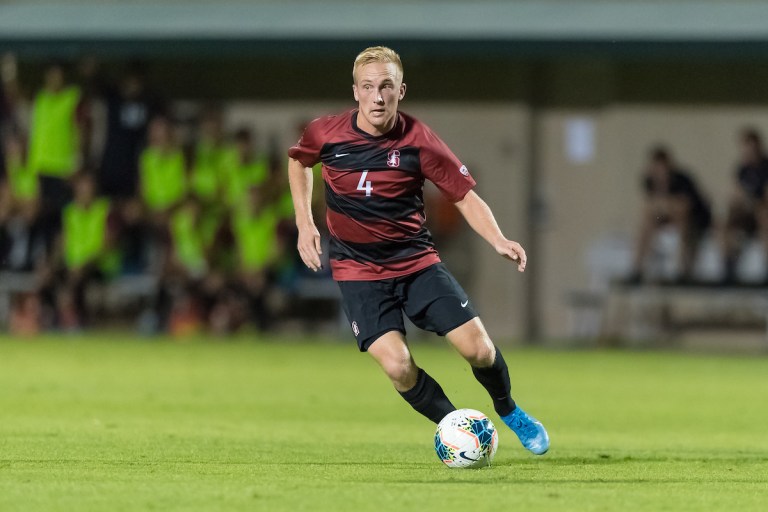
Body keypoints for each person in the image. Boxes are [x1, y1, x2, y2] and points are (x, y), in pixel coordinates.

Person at [287, 46, 549, 455]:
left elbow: (464, 196)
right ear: (355, 91)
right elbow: (299, 162)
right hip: (358, 271)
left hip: (416, 264)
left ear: (400, 91)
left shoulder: (418, 140)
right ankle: (457, 430)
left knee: (478, 349)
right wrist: (305, 222)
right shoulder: (326, 132)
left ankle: (509, 409)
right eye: (369, 87)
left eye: (386, 87)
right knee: (398, 366)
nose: (378, 96)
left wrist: (498, 238)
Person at [628, 146, 712, 284]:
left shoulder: (682, 180)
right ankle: (637, 268)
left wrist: (664, 205)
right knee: (646, 223)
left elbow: (685, 207)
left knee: (681, 220)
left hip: (693, 220)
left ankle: (682, 269)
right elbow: (650, 206)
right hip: (666, 218)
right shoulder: (650, 182)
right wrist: (663, 206)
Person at [722, 128, 768, 282]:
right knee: (725, 220)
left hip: (761, 213)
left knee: (764, 216)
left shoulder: (765, 167)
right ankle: (728, 266)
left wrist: (750, 201)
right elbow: (736, 194)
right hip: (748, 213)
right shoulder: (742, 170)